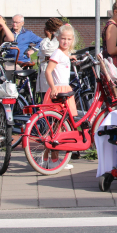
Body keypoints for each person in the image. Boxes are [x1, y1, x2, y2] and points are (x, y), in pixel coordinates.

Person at [42, 24, 77, 170]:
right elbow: (48, 71)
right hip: (59, 90)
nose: (66, 42)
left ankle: (47, 157)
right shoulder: (57, 53)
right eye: (63, 39)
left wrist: (70, 57)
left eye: (69, 39)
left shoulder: (62, 54)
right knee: (58, 128)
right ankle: (53, 159)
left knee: (58, 126)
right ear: (58, 38)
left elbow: (63, 59)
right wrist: (53, 87)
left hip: (64, 88)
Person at [37, 17, 64, 95]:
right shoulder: (56, 38)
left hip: (49, 67)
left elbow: (46, 50)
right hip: (48, 68)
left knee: (48, 93)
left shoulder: (57, 38)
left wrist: (47, 37)